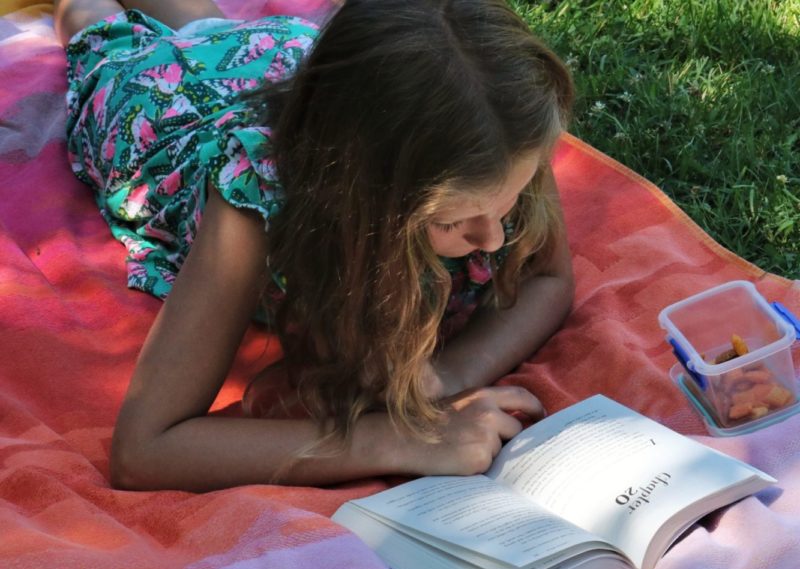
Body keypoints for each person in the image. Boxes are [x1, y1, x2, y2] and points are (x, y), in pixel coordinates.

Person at [54, 0, 575, 491]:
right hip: (158, 111)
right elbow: (144, 449)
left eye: (507, 204)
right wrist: (399, 437)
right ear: (355, 200)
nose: (496, 237)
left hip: (271, 58)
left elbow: (549, 279)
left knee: (214, 32)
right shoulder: (254, 204)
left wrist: (445, 378)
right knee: (100, 25)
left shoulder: (494, 134)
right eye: (452, 221)